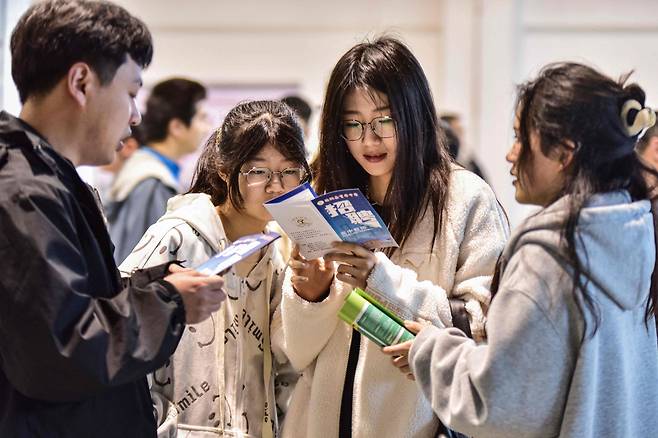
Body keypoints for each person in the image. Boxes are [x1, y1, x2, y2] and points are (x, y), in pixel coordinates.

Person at [394, 62, 658, 437]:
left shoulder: (548, 257)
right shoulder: (630, 231)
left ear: (565, 153)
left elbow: (498, 404)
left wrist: (430, 350)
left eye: (520, 138)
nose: (509, 154)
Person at [0, 1, 226, 436]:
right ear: (82, 81)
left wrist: (148, 287)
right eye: (130, 93)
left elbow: (63, 305)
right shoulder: (24, 191)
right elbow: (61, 350)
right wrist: (169, 303)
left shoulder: (46, 180)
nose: (136, 115)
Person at [276, 37, 509, 437]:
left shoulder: (465, 199)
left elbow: (484, 326)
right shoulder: (325, 203)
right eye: (353, 123)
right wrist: (308, 298)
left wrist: (382, 280)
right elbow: (295, 355)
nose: (369, 140)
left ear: (414, 115)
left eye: (384, 120)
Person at [119, 100, 311, 438]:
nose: (276, 186)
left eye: (289, 170)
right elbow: (120, 329)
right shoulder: (175, 236)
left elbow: (284, 369)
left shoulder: (273, 255)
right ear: (225, 169)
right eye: (258, 171)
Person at [107, 77, 211, 264]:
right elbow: (147, 262)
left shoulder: (146, 169)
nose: (206, 128)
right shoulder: (152, 182)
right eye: (202, 118)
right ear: (177, 127)